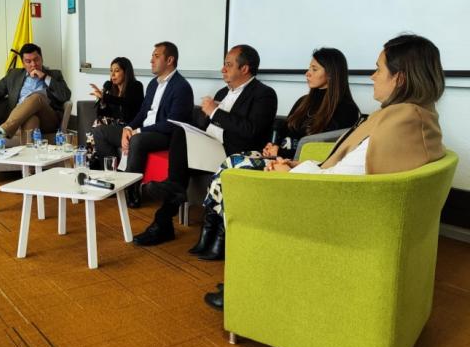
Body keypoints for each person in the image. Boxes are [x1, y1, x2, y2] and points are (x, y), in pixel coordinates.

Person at [204, 34, 446, 311]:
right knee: (239, 166)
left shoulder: (397, 125)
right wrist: (299, 165)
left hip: (328, 208)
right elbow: (348, 168)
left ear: (400, 78)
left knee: (241, 178)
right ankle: (231, 260)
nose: (372, 76)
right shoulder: (412, 117)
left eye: (378, 69)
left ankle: (244, 284)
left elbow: (340, 183)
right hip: (326, 186)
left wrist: (288, 172)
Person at [193, 48, 360, 260]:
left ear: (331, 73)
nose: (307, 73)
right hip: (278, 157)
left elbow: (322, 149)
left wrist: (282, 151)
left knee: (233, 165)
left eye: (314, 69)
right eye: (309, 68)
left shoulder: (345, 109)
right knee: (229, 164)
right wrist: (273, 146)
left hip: (300, 164)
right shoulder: (304, 101)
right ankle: (212, 228)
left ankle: (219, 235)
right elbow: (286, 132)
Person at [137, 44, 278, 246]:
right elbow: (209, 124)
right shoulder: (222, 92)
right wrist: (204, 118)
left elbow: (251, 130)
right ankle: (164, 217)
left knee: (178, 173)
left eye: (228, 65)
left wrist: (216, 112)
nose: (223, 69)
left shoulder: (264, 94)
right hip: (209, 147)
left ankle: (164, 218)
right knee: (180, 131)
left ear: (245, 68)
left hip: (233, 152)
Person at [92, 41, 194, 208]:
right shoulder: (153, 84)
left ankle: (131, 192)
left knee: (137, 140)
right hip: (144, 130)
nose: (151, 60)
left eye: (156, 56)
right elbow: (142, 113)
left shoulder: (181, 87)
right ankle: (115, 181)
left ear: (169, 60)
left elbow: (172, 124)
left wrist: (138, 131)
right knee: (100, 131)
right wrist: (128, 128)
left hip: (163, 135)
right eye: (152, 56)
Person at [0, 43, 71, 147]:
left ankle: (1, 131)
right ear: (23, 63)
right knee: (31, 119)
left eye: (36, 60)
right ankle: (30, 156)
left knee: (37, 97)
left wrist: (45, 77)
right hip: (20, 120)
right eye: (28, 61)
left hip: (48, 120)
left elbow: (65, 95)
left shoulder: (55, 74)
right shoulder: (14, 75)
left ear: (42, 59)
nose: (33, 64)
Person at [86, 57, 144, 168]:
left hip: (130, 127)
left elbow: (127, 102)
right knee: (99, 121)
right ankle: (95, 162)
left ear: (126, 72)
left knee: (98, 129)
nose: (112, 74)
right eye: (111, 71)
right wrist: (102, 102)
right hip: (116, 126)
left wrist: (105, 97)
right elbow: (105, 114)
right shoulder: (113, 90)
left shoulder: (136, 86)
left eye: (116, 71)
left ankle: (93, 163)